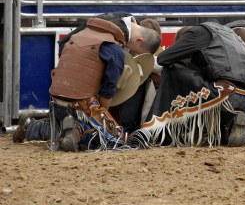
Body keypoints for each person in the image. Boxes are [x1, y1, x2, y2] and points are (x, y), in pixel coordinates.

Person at [13, 12, 161, 151]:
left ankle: (32, 126)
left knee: (62, 119)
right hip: (82, 102)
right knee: (116, 139)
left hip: (56, 97)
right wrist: (103, 113)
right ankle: (78, 130)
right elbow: (108, 89)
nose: (132, 53)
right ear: (139, 40)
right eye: (136, 51)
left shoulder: (84, 32)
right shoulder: (115, 50)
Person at [128, 21, 245, 148]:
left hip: (224, 95)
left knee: (172, 70)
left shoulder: (197, 33)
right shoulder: (232, 37)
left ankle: (152, 129)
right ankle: (224, 131)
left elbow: (164, 59)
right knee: (196, 80)